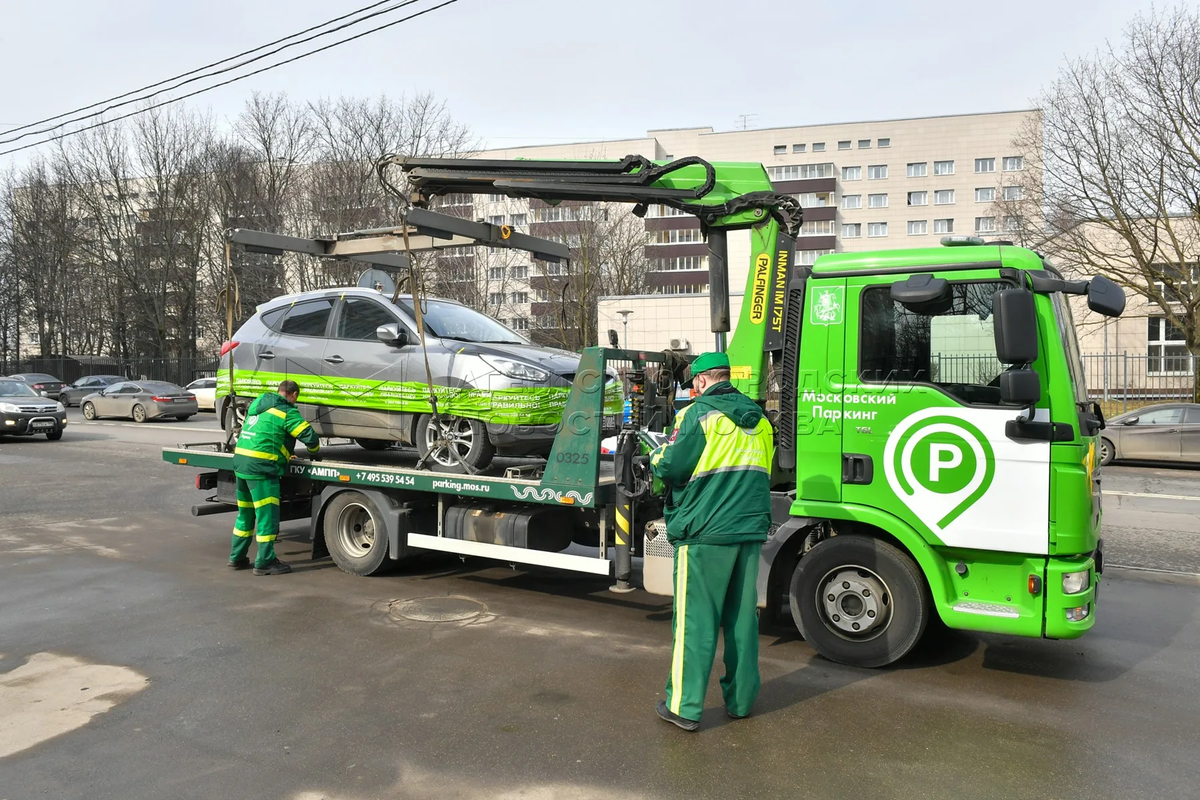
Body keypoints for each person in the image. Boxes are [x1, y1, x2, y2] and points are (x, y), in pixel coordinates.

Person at [649, 352, 775, 731]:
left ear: (701, 381)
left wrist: (654, 456)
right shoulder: (761, 421)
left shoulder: (697, 414)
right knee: (742, 621)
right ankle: (740, 701)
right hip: (749, 530)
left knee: (695, 623)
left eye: (693, 384)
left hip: (705, 532)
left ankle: (684, 708)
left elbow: (671, 465)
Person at [229, 379, 321, 576]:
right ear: (294, 395)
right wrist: (315, 453)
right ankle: (264, 562)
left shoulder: (259, 402)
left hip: (241, 462)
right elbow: (310, 437)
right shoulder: (287, 411)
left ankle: (237, 557)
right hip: (261, 467)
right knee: (267, 517)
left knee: (245, 514)